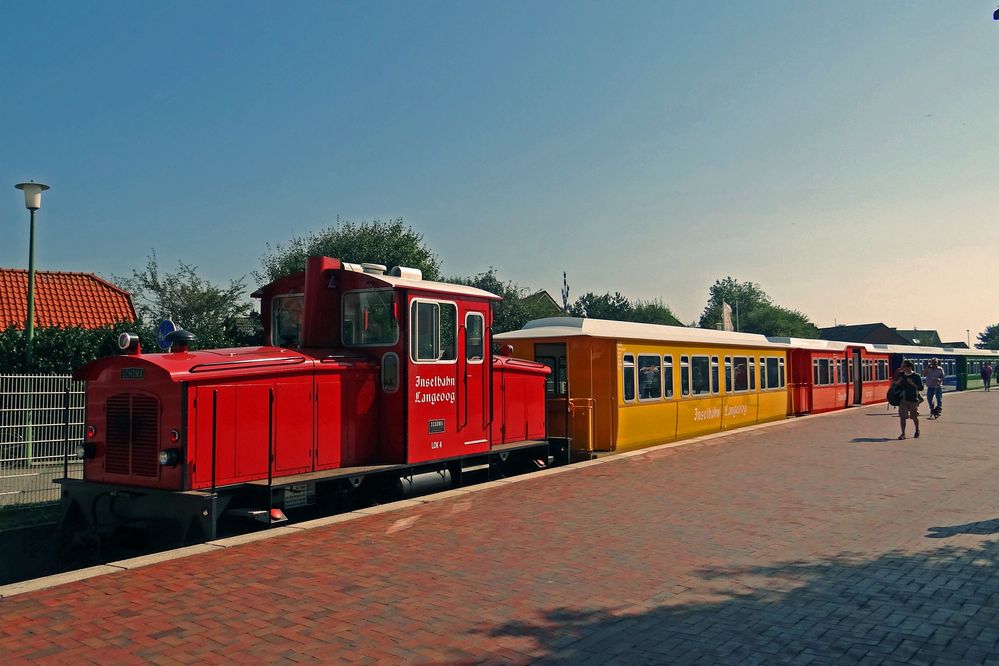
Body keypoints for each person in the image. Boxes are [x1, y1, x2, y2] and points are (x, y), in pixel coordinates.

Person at [894, 360, 924, 439]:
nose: (902, 368)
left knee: (914, 417)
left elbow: (921, 388)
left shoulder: (916, 376)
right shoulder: (901, 375)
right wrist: (897, 382)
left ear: (909, 367)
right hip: (902, 399)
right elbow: (895, 385)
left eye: (903, 366)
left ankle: (917, 430)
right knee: (902, 417)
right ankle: (903, 434)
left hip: (913, 399)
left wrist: (912, 384)